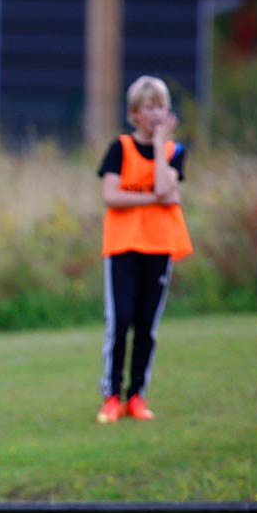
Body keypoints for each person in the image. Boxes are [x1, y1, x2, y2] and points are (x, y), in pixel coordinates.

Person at [96, 75, 192, 426]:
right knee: (120, 321)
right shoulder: (118, 149)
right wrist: (154, 198)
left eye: (161, 106)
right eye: (149, 107)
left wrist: (161, 143)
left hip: (160, 246)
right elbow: (112, 196)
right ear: (134, 113)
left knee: (146, 325)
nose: (156, 113)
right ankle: (112, 395)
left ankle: (137, 395)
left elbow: (169, 186)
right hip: (123, 247)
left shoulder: (174, 152)